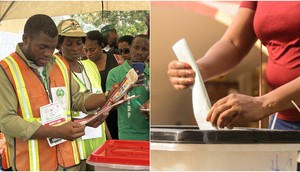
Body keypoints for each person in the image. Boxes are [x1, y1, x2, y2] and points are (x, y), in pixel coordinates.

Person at [0, 14, 117, 171]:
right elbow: (6, 121)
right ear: (26, 39)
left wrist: (107, 97)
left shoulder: (60, 64)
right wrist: (55, 131)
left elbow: (77, 98)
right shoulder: (6, 70)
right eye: (43, 47)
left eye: (52, 47)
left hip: (68, 163)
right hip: (33, 165)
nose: (48, 53)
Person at [167, 1, 300, 130]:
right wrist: (196, 70)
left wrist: (264, 103)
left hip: (274, 107)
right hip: (283, 120)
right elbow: (234, 43)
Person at [56, 19, 108, 170]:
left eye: (79, 43)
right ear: (59, 44)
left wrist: (107, 137)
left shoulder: (90, 66)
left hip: (97, 141)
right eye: (69, 44)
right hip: (72, 144)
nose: (75, 48)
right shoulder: (55, 69)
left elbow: (99, 106)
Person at [106, 34, 150, 140]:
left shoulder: (154, 73)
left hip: (151, 132)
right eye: (136, 47)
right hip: (127, 133)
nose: (139, 52)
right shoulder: (115, 73)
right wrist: (125, 86)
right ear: (130, 48)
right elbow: (108, 106)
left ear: (149, 52)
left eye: (144, 49)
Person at [84, 30, 122, 139]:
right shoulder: (83, 65)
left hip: (117, 112)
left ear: (101, 45)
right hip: (97, 112)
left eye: (92, 50)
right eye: (85, 50)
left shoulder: (117, 59)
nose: (88, 54)